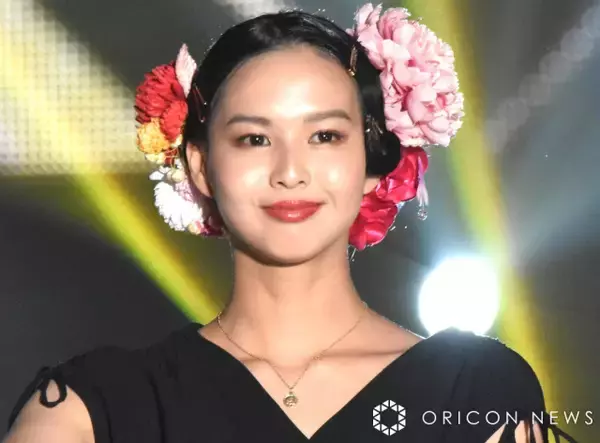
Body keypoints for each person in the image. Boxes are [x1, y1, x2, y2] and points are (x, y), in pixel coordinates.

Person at [3, 3, 578, 443]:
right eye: (254, 139)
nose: (290, 172)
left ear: (372, 162)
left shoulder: (471, 390)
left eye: (324, 135)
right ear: (201, 166)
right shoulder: (96, 407)